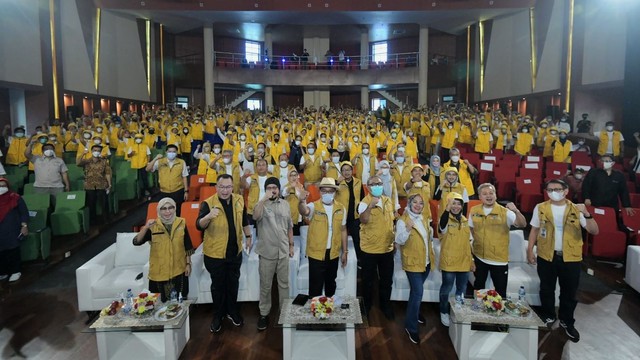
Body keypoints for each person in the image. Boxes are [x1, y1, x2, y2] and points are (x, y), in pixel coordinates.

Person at [527, 179, 599, 343]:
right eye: (550, 189)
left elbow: (594, 230)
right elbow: (534, 230)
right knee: (546, 289)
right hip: (546, 255)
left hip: (571, 258)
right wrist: (530, 249)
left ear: (566, 191)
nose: (554, 192)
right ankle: (548, 315)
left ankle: (567, 321)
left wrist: (587, 213)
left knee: (569, 292)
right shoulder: (541, 207)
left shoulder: (576, 208)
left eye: (557, 189)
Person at [196, 174, 252, 333]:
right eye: (222, 187)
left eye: (228, 187)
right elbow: (198, 225)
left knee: (233, 284)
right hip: (215, 255)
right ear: (216, 187)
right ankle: (217, 315)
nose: (225, 190)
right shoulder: (208, 203)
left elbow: (244, 221)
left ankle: (232, 312)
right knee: (218, 287)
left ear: (232, 187)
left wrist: (248, 236)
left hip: (235, 253)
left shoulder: (239, 200)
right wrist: (208, 216)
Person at [469, 183, 526, 297]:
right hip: (479, 257)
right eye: (484, 194)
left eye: (491, 193)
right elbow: (470, 230)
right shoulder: (474, 210)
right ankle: (477, 311)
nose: (488, 196)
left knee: (500, 292)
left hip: (499, 260)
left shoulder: (505, 212)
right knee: (478, 288)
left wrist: (516, 211)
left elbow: (522, 224)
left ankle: (499, 312)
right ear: (480, 197)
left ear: (495, 195)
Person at [253, 177, 294, 331]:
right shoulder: (261, 205)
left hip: (283, 251)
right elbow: (255, 216)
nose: (272, 190)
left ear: (278, 188)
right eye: (269, 187)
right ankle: (264, 314)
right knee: (265, 285)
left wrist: (291, 245)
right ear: (265, 190)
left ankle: (284, 312)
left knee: (284, 284)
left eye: (275, 187)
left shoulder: (286, 204)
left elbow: (289, 226)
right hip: (267, 252)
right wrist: (263, 198)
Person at [134, 198, 193, 302]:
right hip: (159, 272)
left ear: (175, 209)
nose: (167, 211)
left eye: (171, 208)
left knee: (180, 303)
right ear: (159, 211)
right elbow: (136, 241)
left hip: (178, 270)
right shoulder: (153, 226)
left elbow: (187, 246)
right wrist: (146, 227)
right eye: (164, 209)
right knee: (160, 304)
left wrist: (188, 264)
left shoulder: (181, 223)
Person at [298, 177, 348, 297]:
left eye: (330, 191)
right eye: (324, 191)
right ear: (320, 192)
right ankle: (315, 310)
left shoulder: (341, 208)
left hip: (333, 253)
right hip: (316, 253)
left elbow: (343, 230)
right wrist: (301, 201)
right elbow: (304, 211)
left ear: (335, 192)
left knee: (331, 284)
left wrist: (345, 251)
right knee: (315, 286)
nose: (327, 193)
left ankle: (329, 307)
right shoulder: (314, 206)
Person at [395, 193, 434, 344]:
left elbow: (427, 239)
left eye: (421, 203)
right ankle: (411, 327)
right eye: (415, 202)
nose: (418, 205)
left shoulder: (424, 218)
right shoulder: (403, 220)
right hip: (412, 263)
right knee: (418, 292)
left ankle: (416, 313)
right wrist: (408, 229)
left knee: (415, 292)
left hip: (426, 262)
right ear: (409, 204)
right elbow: (399, 240)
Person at [358, 175, 396, 319]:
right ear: (368, 187)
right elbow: (363, 219)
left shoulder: (388, 201)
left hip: (387, 248)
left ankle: (385, 305)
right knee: (368, 281)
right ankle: (366, 306)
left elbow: (391, 221)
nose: (377, 186)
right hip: (370, 249)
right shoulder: (363, 202)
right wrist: (370, 206)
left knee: (386, 280)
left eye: (379, 183)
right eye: (373, 184)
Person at [437, 192, 474, 327]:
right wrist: (447, 209)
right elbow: (442, 226)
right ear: (448, 205)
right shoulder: (445, 220)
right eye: (453, 203)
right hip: (449, 262)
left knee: (462, 288)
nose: (456, 206)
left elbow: (469, 243)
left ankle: (458, 310)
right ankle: (443, 311)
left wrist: (472, 261)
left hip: (464, 262)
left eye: (459, 204)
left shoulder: (465, 220)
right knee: (446, 288)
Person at [335, 161, 365, 264]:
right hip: (341, 216)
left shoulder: (358, 182)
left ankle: (360, 262)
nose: (346, 172)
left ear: (352, 171)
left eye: (348, 170)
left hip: (355, 216)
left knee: (357, 239)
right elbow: (331, 195)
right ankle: (339, 259)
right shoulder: (337, 183)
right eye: (343, 170)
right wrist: (336, 183)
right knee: (339, 239)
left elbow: (362, 199)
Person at [0, 178, 29, 282]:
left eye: (3, 186)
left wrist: (24, 226)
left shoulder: (15, 198)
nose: (1, 188)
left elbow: (24, 213)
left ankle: (15, 271)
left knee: (13, 250)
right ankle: (2, 272)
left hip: (12, 228)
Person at [146, 144, 189, 215]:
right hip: (164, 191)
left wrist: (186, 191)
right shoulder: (160, 161)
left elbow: (184, 177)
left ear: (176, 152)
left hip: (178, 190)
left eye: (174, 152)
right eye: (170, 151)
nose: (171, 153)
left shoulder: (181, 162)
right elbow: (148, 169)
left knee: (178, 211)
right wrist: (155, 158)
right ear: (166, 152)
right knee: (165, 212)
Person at [77, 144, 112, 224]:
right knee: (91, 205)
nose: (96, 152)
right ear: (91, 151)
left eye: (98, 151)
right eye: (95, 150)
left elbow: (107, 173)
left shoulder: (104, 162)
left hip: (101, 185)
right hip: (89, 186)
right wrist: (83, 154)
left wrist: (109, 185)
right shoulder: (86, 161)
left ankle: (106, 220)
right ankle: (93, 221)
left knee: (104, 204)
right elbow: (78, 163)